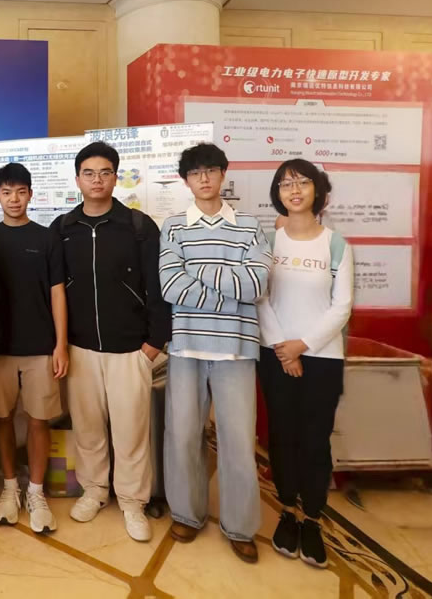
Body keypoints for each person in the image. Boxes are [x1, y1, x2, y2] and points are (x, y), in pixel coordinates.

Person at [50, 141, 171, 542]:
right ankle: (95, 490)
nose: (97, 180)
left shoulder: (138, 227)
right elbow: (54, 291)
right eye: (89, 173)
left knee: (131, 431)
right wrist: (60, 343)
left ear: (116, 178)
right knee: (87, 429)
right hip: (80, 349)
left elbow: (158, 287)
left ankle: (133, 502)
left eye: (105, 172)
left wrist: (153, 343)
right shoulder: (63, 229)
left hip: (130, 349)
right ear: (77, 179)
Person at [159, 142, 272, 563]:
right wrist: (229, 287)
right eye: (195, 172)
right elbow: (171, 287)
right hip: (186, 347)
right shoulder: (174, 226)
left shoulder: (250, 226)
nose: (204, 178)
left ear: (223, 174)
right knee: (182, 435)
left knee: (238, 442)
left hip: (237, 349)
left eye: (210, 170)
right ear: (185, 180)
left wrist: (198, 272)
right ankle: (187, 514)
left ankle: (239, 525)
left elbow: (256, 285)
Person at [257, 159, 352, 569]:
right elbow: (260, 298)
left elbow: (342, 306)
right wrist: (284, 349)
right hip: (275, 354)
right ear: (277, 194)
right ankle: (287, 511)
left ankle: (312, 518)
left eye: (302, 182)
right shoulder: (268, 241)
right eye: (285, 184)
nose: (294, 190)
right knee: (281, 436)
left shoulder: (336, 244)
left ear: (318, 190)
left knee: (315, 440)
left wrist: (302, 346)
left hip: (322, 358)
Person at [0, 163, 68, 534]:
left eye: (20, 192)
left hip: (40, 348)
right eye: (7, 192)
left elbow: (57, 293)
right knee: (2, 418)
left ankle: (36, 491)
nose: (14, 199)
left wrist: (60, 345)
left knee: (38, 420)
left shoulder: (47, 238)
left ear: (31, 194)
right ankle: (8, 487)